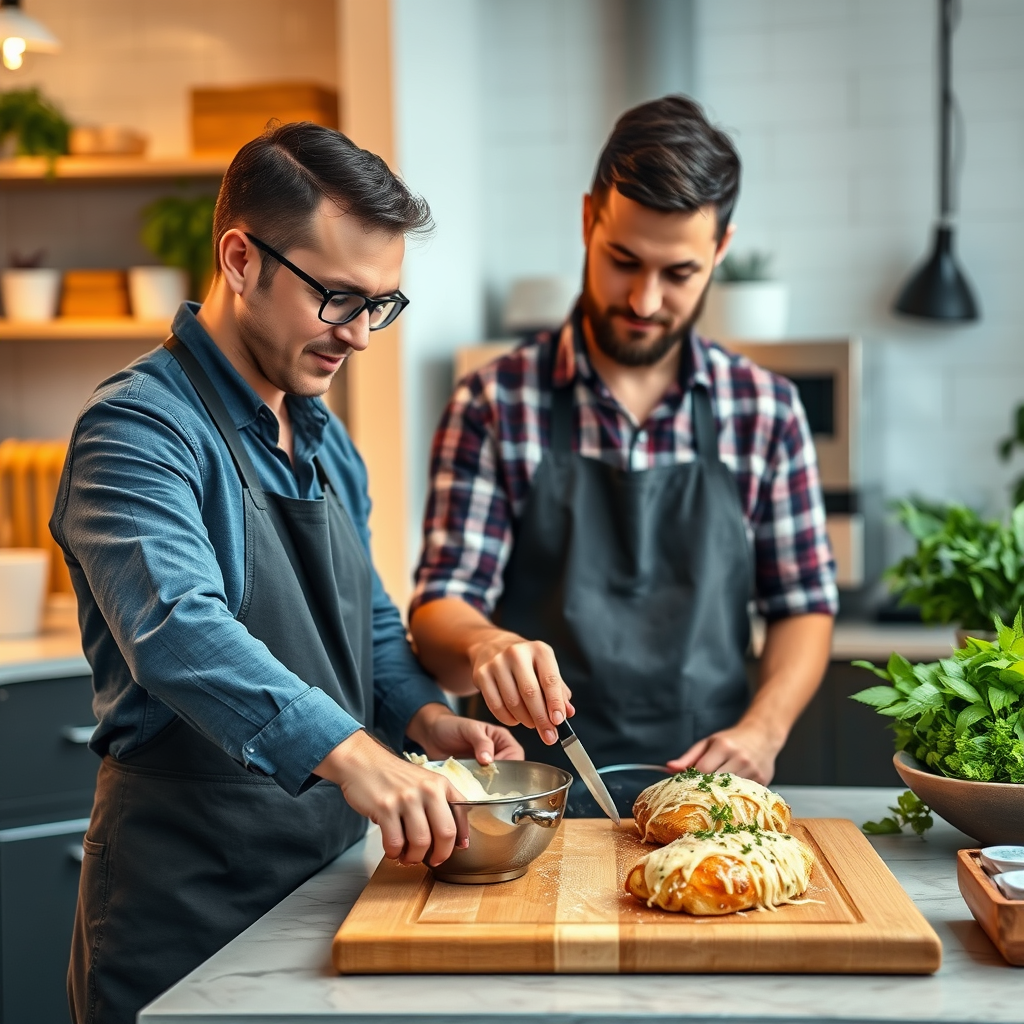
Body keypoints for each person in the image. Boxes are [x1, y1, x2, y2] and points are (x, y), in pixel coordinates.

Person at [51, 122, 521, 1024]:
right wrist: (357, 759)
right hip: (184, 901)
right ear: (239, 258)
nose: (362, 335)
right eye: (339, 297)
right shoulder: (135, 432)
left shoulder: (325, 439)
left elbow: (367, 626)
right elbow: (179, 632)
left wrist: (428, 721)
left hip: (329, 881)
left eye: (382, 303)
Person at [408, 95, 838, 786]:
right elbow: (439, 610)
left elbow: (803, 606)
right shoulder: (493, 403)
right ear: (588, 220)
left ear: (719, 252)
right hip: (533, 803)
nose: (643, 301)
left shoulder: (766, 411)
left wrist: (764, 729)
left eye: (678, 274)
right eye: (623, 260)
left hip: (710, 798)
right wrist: (485, 643)